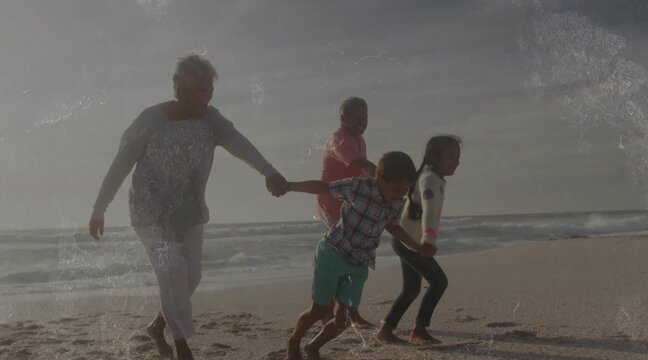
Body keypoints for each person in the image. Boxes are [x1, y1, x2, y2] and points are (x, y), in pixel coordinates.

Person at [88, 54, 287, 360]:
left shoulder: (211, 119)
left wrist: (268, 171)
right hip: (149, 213)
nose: (206, 97)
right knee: (172, 272)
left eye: (209, 90)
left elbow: (239, 142)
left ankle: (157, 325)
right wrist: (100, 207)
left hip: (189, 212)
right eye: (200, 89)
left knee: (191, 277)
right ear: (179, 87)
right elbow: (120, 165)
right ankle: (182, 346)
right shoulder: (148, 121)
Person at [284, 151, 435, 360]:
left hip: (359, 263)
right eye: (396, 189)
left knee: (345, 318)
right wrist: (290, 186)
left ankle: (313, 346)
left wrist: (416, 246)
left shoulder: (397, 203)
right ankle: (294, 341)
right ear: (380, 179)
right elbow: (323, 187)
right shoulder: (359, 186)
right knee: (319, 310)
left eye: (405, 190)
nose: (400, 195)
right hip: (333, 253)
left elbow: (393, 227)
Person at [376, 135, 462, 345]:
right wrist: (429, 241)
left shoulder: (432, 177)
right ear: (433, 156)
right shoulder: (430, 179)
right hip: (412, 243)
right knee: (439, 282)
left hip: (408, 241)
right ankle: (419, 329)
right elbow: (430, 211)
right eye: (451, 156)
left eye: (458, 157)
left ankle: (386, 330)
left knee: (411, 289)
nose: (456, 162)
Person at [316, 96, 376, 327]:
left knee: (354, 258)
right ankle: (328, 310)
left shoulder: (359, 139)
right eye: (358, 117)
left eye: (366, 117)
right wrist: (388, 175)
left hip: (352, 206)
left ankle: (349, 309)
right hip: (332, 205)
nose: (362, 122)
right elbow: (361, 165)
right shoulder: (337, 140)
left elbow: (363, 175)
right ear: (343, 117)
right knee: (344, 259)